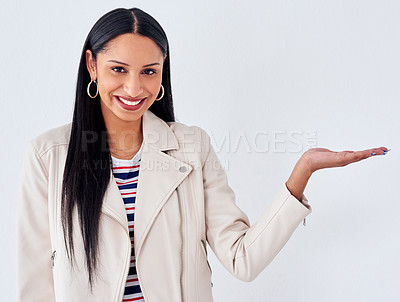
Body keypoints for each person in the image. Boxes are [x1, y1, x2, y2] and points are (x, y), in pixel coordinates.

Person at [16, 7, 389, 302]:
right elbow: (35, 284)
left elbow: (243, 259)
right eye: (118, 69)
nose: (134, 87)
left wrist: (303, 171)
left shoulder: (192, 147)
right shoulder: (48, 156)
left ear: (163, 73)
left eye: (149, 71)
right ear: (92, 66)